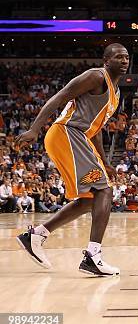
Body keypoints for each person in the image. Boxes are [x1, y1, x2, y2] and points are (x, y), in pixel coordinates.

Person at [15, 43, 128, 276]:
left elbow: (95, 129)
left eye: (127, 57)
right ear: (106, 61)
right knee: (104, 191)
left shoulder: (115, 93)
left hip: (80, 136)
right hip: (67, 132)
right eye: (119, 57)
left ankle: (36, 235)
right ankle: (93, 257)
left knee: (90, 199)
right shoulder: (96, 76)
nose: (124, 61)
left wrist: (105, 161)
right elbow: (60, 97)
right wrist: (35, 129)